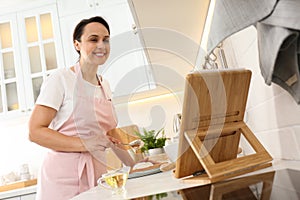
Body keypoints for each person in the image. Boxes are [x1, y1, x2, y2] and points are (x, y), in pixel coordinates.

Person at [28, 16, 141, 200]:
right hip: (62, 180)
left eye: (106, 40)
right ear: (77, 44)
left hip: (98, 177)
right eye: (93, 39)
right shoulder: (61, 79)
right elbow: (34, 131)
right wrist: (85, 144)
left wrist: (135, 165)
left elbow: (110, 135)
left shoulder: (105, 85)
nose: (101, 45)